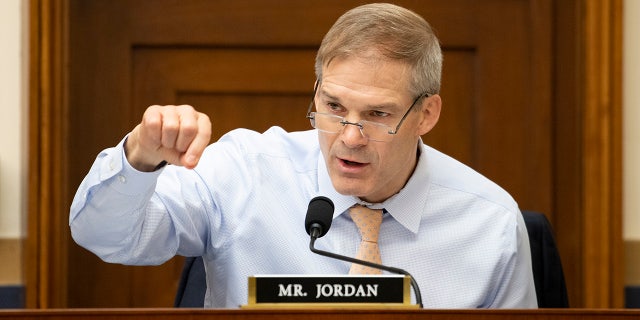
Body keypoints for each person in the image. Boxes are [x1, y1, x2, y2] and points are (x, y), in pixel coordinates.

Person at [70, 3, 537, 308]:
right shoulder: (243, 172)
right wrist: (140, 158)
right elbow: (107, 237)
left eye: (377, 114)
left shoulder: (490, 223)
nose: (349, 138)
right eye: (333, 107)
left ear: (427, 113)